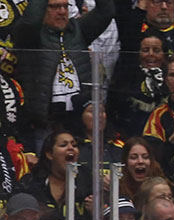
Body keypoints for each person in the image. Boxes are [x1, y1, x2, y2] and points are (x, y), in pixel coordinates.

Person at [12, 0, 114, 149]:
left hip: (79, 120)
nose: (62, 11)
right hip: (46, 122)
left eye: (65, 6)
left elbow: (106, 12)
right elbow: (31, 21)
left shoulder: (77, 30)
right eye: (54, 7)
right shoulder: (30, 35)